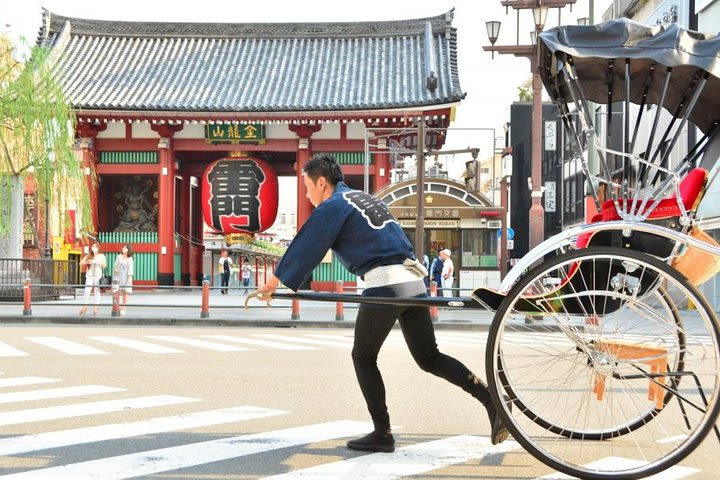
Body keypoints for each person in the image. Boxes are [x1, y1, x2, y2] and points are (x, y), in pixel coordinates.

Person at [253, 154, 508, 453]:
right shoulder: (364, 199)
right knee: (429, 357)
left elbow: (307, 244)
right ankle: (490, 399)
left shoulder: (334, 204)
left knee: (363, 356)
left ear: (322, 182)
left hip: (385, 283)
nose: (308, 196)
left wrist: (272, 284)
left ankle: (382, 432)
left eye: (308, 187)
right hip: (413, 283)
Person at [79, 242, 106, 316]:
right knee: (87, 291)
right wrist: (86, 262)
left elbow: (104, 266)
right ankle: (84, 306)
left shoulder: (101, 256)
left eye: (95, 246)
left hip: (97, 276)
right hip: (89, 275)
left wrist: (96, 262)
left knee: (96, 292)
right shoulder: (89, 255)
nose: (94, 247)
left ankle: (95, 307)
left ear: (98, 247)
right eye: (93, 246)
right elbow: (80, 263)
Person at [112, 244, 134, 316]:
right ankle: (119, 306)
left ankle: (124, 307)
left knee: (125, 292)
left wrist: (130, 277)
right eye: (123, 247)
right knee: (118, 292)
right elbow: (115, 265)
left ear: (128, 250)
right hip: (118, 276)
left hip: (126, 277)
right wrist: (115, 269)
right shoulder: (119, 257)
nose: (123, 248)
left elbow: (130, 269)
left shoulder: (130, 259)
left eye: (125, 248)